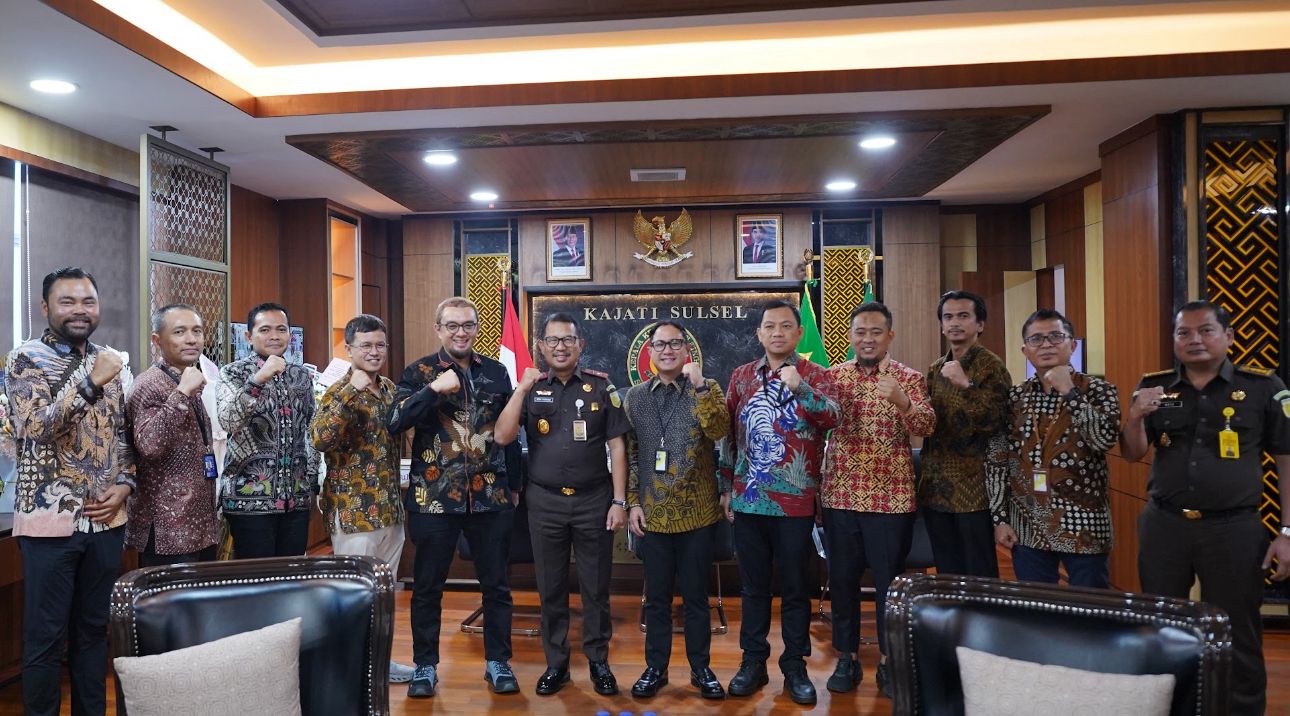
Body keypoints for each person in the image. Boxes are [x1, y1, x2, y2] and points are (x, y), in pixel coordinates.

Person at [1122, 300, 1290, 716]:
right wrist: (1135, 416)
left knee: (1238, 630)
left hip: (1234, 529)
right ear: (1174, 339)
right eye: (1184, 332)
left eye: (1206, 330)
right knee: (1162, 625)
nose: (1194, 339)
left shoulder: (1263, 387)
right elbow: (1132, 452)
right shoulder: (1155, 386)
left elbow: (1287, 459)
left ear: (1228, 336)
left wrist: (1287, 532)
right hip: (1165, 526)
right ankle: (1168, 706)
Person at [6, 267, 134, 716]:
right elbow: (35, 427)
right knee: (45, 638)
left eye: (88, 301)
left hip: (106, 521)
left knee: (94, 633)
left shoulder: (110, 359)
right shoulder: (25, 359)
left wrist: (126, 484)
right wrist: (91, 382)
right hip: (49, 523)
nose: (80, 310)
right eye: (68, 301)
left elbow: (123, 435)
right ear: (45, 307)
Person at [388, 298, 521, 697]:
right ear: (438, 329)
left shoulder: (497, 372)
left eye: (467, 325)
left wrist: (514, 485)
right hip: (433, 499)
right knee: (427, 587)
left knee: (496, 586)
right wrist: (432, 390)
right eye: (452, 325)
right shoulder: (419, 372)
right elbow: (396, 421)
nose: (460, 332)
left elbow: (511, 432)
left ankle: (498, 662)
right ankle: (425, 666)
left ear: (477, 328)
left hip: (490, 495)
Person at [496, 311, 629, 697]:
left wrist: (619, 501)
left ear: (580, 345)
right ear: (541, 346)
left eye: (568, 339)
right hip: (545, 503)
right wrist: (520, 390)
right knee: (550, 587)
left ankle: (599, 662)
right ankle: (556, 664)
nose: (560, 346)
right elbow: (503, 436)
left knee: (595, 587)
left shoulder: (601, 388)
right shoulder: (532, 388)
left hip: (594, 501)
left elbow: (617, 447)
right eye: (552, 340)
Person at [720, 300, 839, 706]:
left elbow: (835, 418)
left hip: (796, 503)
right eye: (769, 326)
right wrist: (726, 486)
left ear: (799, 333)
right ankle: (752, 662)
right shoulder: (741, 376)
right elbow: (728, 434)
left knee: (794, 589)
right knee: (753, 589)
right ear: (759, 333)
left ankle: (794, 666)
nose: (777, 332)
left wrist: (800, 387)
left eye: (786, 326)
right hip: (749, 500)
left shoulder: (816, 375)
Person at [821, 302, 934, 698]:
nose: (867, 339)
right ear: (850, 336)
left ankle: (889, 661)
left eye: (876, 332)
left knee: (890, 586)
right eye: (860, 332)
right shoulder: (833, 377)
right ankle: (847, 657)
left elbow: (927, 426)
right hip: (841, 496)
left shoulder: (909, 378)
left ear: (890, 336)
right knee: (842, 582)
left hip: (891, 500)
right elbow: (816, 424)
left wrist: (903, 401)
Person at [622, 321, 730, 700]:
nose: (667, 350)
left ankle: (701, 669)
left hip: (698, 514)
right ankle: (656, 668)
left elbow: (719, 431)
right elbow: (632, 456)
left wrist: (699, 385)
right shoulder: (635, 397)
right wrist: (633, 502)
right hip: (652, 515)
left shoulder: (708, 387)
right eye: (660, 345)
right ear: (649, 352)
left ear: (687, 350)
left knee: (697, 599)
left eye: (675, 344)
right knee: (657, 601)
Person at [310, 314, 415, 684]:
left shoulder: (388, 388)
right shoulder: (337, 390)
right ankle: (349, 671)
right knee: (354, 597)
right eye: (366, 345)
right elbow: (320, 439)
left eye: (380, 345)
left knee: (382, 596)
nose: (374, 352)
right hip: (354, 514)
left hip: (389, 510)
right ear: (349, 348)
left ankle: (379, 664)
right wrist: (350, 392)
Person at [988, 309, 1120, 588]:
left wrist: (1069, 392)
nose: (1046, 345)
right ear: (1025, 350)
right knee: (1036, 607)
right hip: (1028, 523)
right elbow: (998, 459)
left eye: (1055, 337)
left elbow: (1104, 440)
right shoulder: (1015, 397)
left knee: (1090, 607)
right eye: (1036, 339)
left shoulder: (1099, 390)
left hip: (1084, 525)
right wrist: (1000, 519)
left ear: (1072, 345)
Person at [918, 290, 1011, 578]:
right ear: (942, 325)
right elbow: (930, 423)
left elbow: (999, 422)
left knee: (979, 574)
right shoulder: (936, 368)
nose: (955, 323)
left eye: (963, 316)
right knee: (947, 573)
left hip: (974, 493)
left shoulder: (991, 366)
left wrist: (966, 385)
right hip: (936, 489)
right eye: (948, 317)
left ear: (980, 324)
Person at [216, 302, 318, 558]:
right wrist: (258, 379)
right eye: (265, 330)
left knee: (291, 574)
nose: (274, 336)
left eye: (281, 329)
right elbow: (228, 421)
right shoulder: (233, 373)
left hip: (296, 499)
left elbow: (311, 431)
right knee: (256, 575)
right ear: (249, 336)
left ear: (290, 335)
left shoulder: (301, 376)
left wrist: (311, 484)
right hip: (248, 502)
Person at [125, 303, 220, 567]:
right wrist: (182, 394)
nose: (191, 339)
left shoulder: (186, 378)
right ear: (157, 340)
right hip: (167, 530)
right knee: (169, 595)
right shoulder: (149, 385)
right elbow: (150, 446)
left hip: (199, 523)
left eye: (197, 331)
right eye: (179, 332)